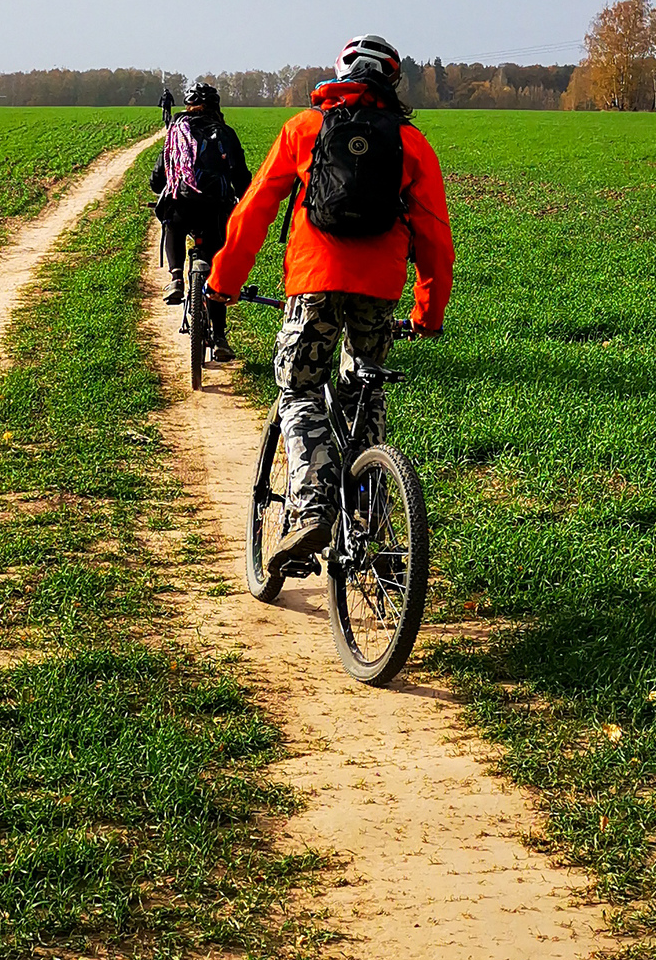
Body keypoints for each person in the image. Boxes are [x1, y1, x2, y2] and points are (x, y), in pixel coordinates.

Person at [206, 33, 453, 572]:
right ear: (391, 80)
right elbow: (435, 236)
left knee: (298, 390)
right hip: (380, 291)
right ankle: (375, 523)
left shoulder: (303, 129)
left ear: (339, 75)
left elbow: (253, 211)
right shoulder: (412, 144)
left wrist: (224, 282)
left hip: (313, 284)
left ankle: (314, 505)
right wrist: (427, 313)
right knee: (366, 384)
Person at [149, 81, 251, 357]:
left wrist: (164, 188)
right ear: (216, 106)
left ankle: (176, 278)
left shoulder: (177, 130)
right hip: (216, 207)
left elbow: (158, 178)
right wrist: (243, 199)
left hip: (183, 203)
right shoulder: (226, 133)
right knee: (215, 269)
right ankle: (219, 339)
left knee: (173, 223)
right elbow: (241, 176)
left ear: (187, 105)